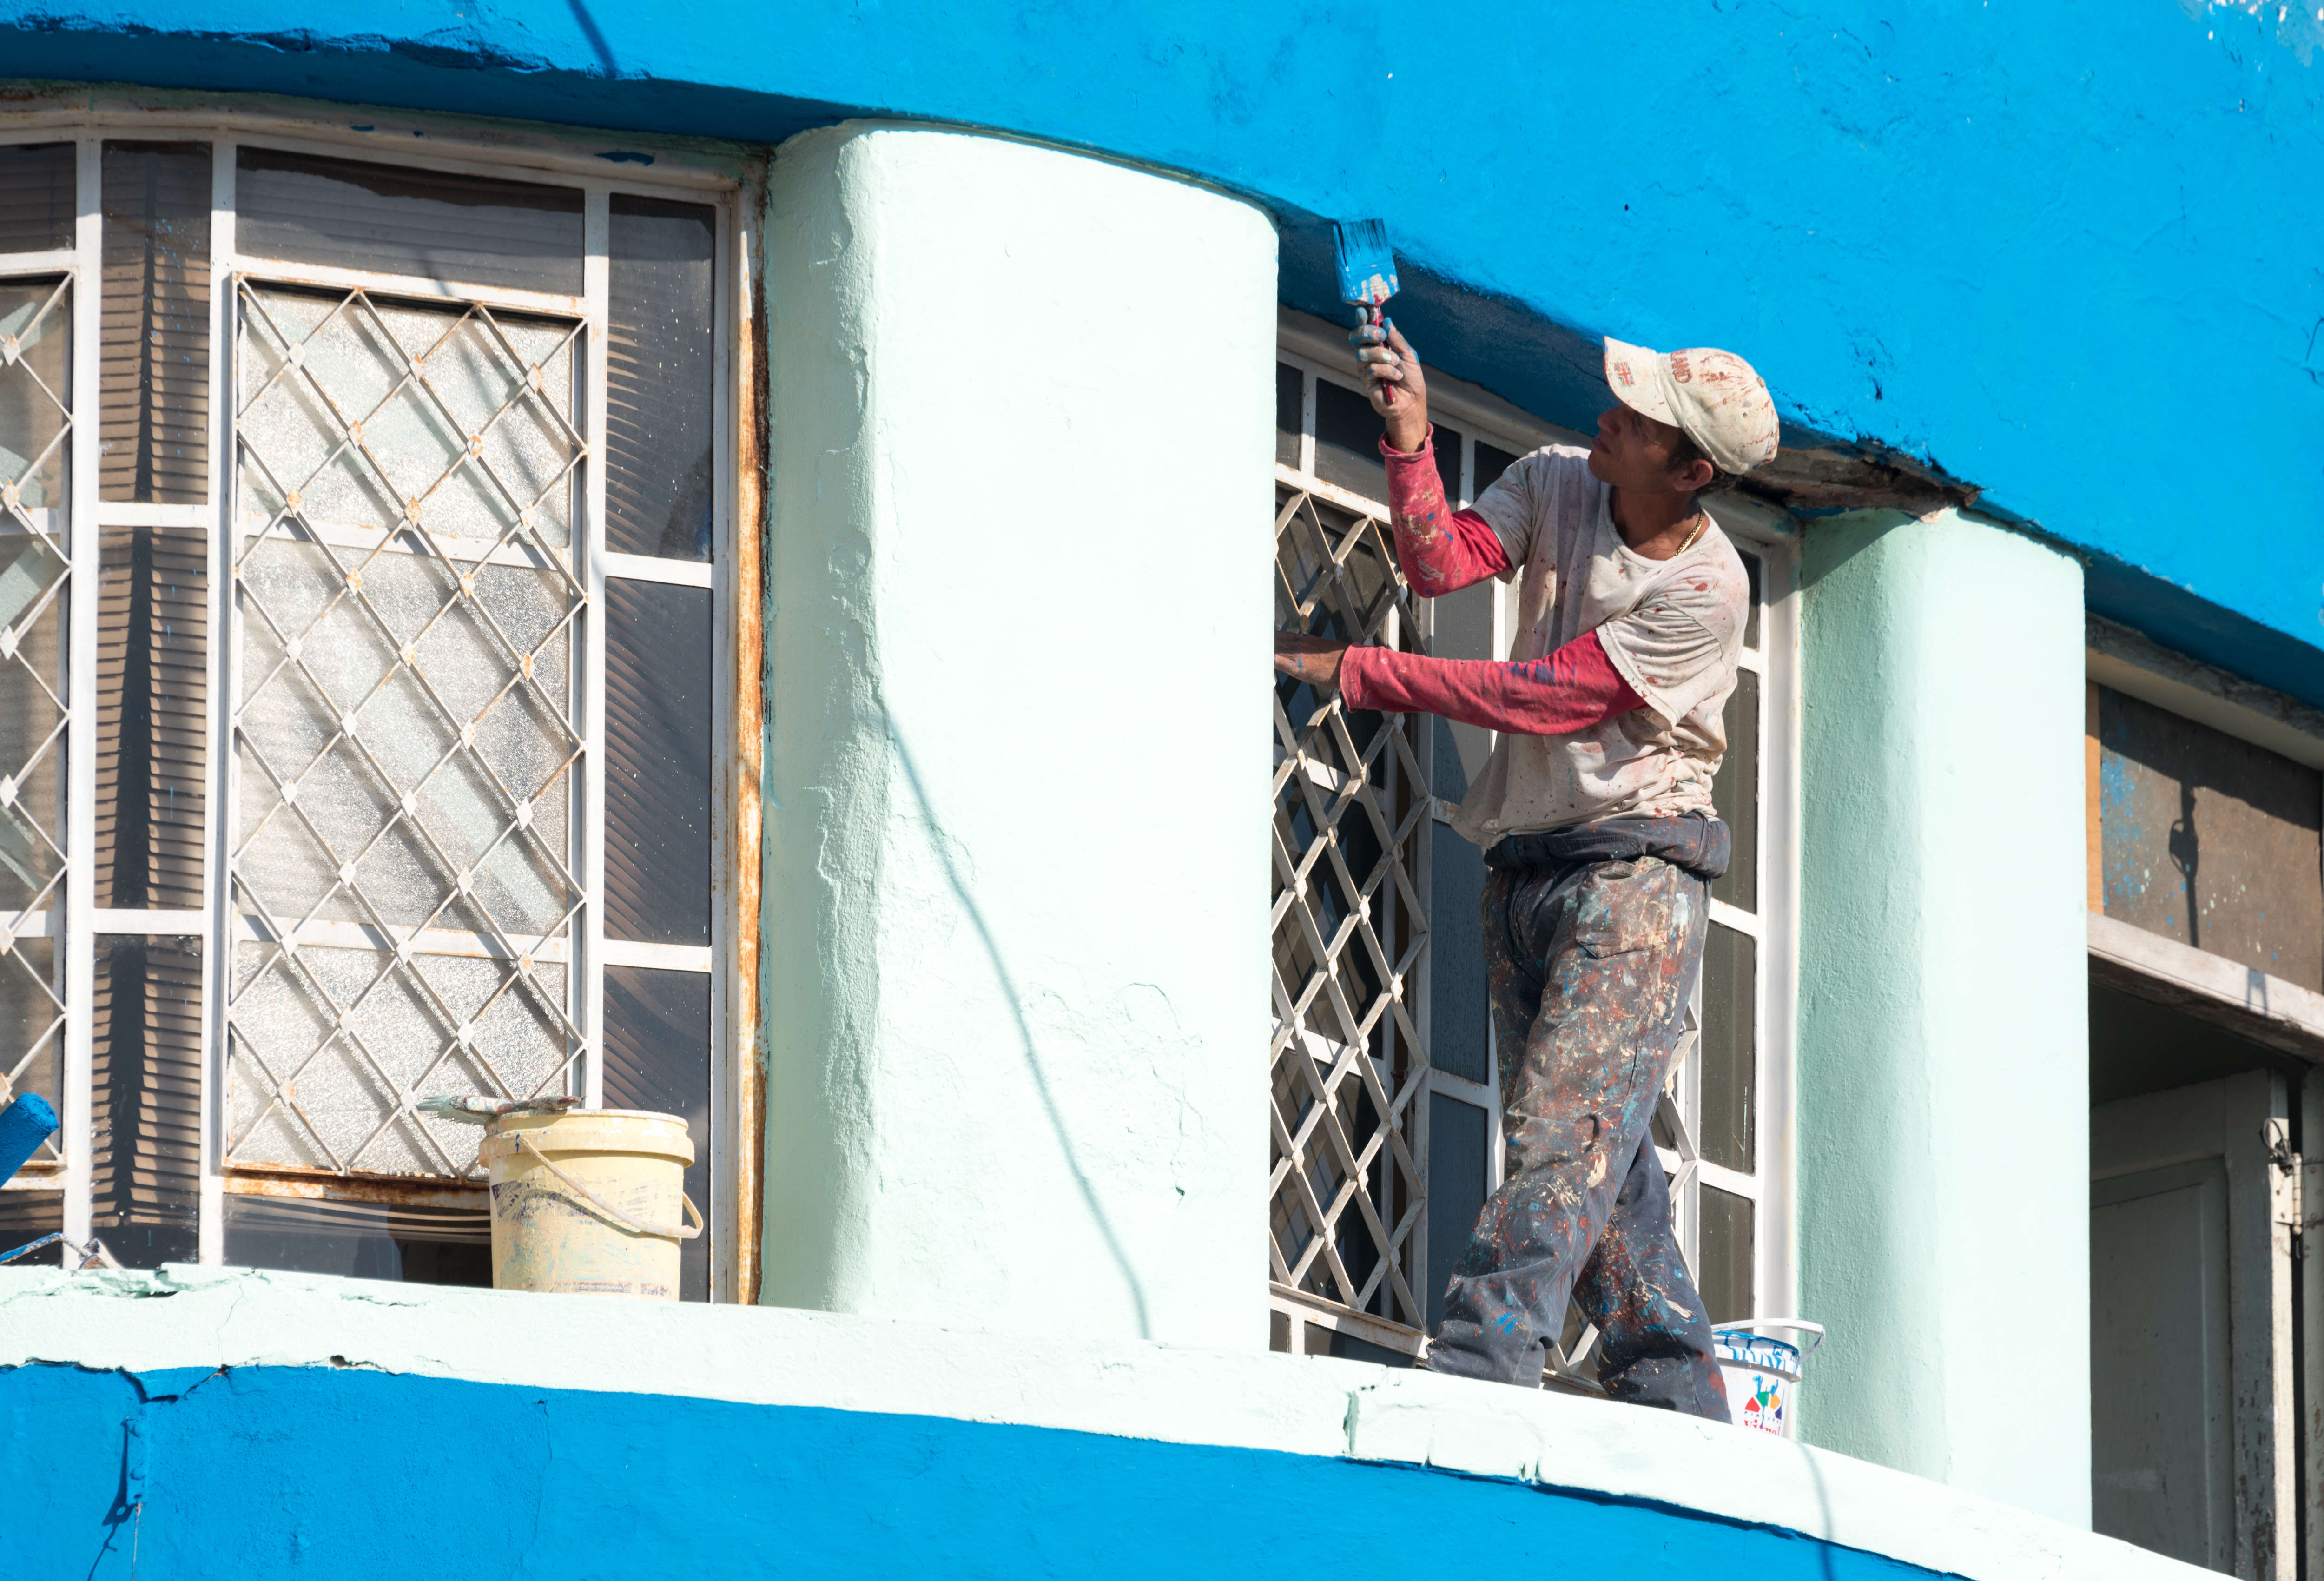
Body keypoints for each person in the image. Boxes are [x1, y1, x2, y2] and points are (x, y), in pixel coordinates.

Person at [1274, 319, 1779, 1417]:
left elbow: (1548, 694)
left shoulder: (1709, 591)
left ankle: (1477, 1372)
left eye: (1635, 420)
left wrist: (1365, 671)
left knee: (1564, 1140)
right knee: (1604, 1156)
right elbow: (1440, 560)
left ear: (1689, 471)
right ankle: (1675, 1395)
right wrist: (1408, 442)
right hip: (1533, 865)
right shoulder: (1560, 478)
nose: (1605, 417)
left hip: (1635, 881)